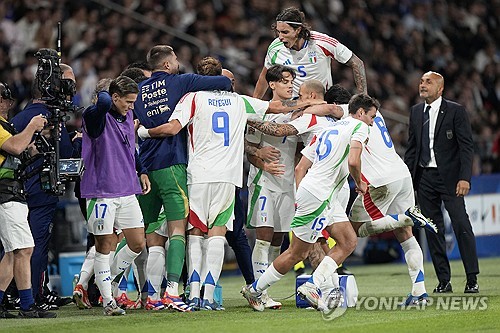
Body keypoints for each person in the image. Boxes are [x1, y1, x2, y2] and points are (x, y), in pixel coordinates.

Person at [138, 56, 325, 310]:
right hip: (228, 175)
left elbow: (172, 128)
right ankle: (209, 298)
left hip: (199, 174)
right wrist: (310, 103)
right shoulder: (239, 101)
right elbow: (276, 108)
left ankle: (193, 294)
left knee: (195, 232)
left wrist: (144, 131)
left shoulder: (191, 98)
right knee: (218, 232)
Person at [241, 94, 377, 312]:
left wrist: (303, 195)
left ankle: (313, 285)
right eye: (372, 117)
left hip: (319, 193)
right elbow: (353, 160)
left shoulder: (326, 130)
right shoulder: (360, 128)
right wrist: (359, 182)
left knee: (348, 241)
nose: (373, 122)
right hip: (319, 195)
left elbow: (300, 168)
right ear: (360, 113)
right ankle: (255, 289)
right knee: (297, 253)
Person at [132, 45, 232, 311]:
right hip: (173, 164)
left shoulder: (139, 90)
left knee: (152, 234)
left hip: (144, 167)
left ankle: (151, 297)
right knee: (178, 230)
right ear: (166, 65)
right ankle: (173, 292)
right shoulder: (181, 82)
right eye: (175, 59)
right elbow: (223, 80)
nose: (178, 62)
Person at [404, 71, 479, 294]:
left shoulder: (456, 111)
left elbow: (466, 147)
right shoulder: (416, 112)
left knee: (461, 225)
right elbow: (412, 150)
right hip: (425, 178)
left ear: (441, 88)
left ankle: (472, 279)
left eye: (429, 82)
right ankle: (444, 281)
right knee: (432, 229)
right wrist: (409, 180)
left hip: (452, 179)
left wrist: (465, 177)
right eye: (421, 81)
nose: (423, 85)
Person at [80, 75, 149, 316]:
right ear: (114, 98)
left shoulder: (128, 115)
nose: (132, 106)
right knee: (104, 245)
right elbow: (102, 103)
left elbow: (130, 148)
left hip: (127, 188)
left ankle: (104, 278)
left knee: (138, 243)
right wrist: (108, 92)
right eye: (127, 101)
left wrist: (141, 171)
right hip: (101, 192)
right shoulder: (95, 117)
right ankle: (108, 301)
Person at [11, 62, 77, 308]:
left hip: (16, 193)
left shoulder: (19, 118)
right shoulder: (48, 119)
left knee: (15, 246)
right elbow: (67, 155)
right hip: (40, 190)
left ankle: (28, 292)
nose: (72, 87)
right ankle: (33, 295)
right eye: (68, 82)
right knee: (36, 246)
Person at [0, 81, 56, 318]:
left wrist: (31, 148)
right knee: (24, 248)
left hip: (13, 191)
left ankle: (2, 302)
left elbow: (17, 150)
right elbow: (13, 146)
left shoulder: (6, 126)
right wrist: (32, 126)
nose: (6, 102)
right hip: (5, 193)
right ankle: (27, 304)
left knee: (14, 252)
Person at [246, 64, 298, 310]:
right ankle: (258, 292)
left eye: (292, 81)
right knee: (264, 236)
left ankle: (263, 288)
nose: (290, 85)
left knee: (278, 238)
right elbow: (249, 150)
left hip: (287, 183)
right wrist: (261, 159)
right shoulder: (260, 112)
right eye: (285, 81)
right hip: (263, 180)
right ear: (272, 84)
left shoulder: (298, 113)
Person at [253, 6, 367, 100]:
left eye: (285, 32)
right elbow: (264, 77)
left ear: (298, 30)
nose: (280, 37)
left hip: (321, 102)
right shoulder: (275, 48)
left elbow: (357, 63)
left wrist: (363, 98)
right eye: (278, 32)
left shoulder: (321, 42)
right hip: (291, 105)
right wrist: (254, 105)